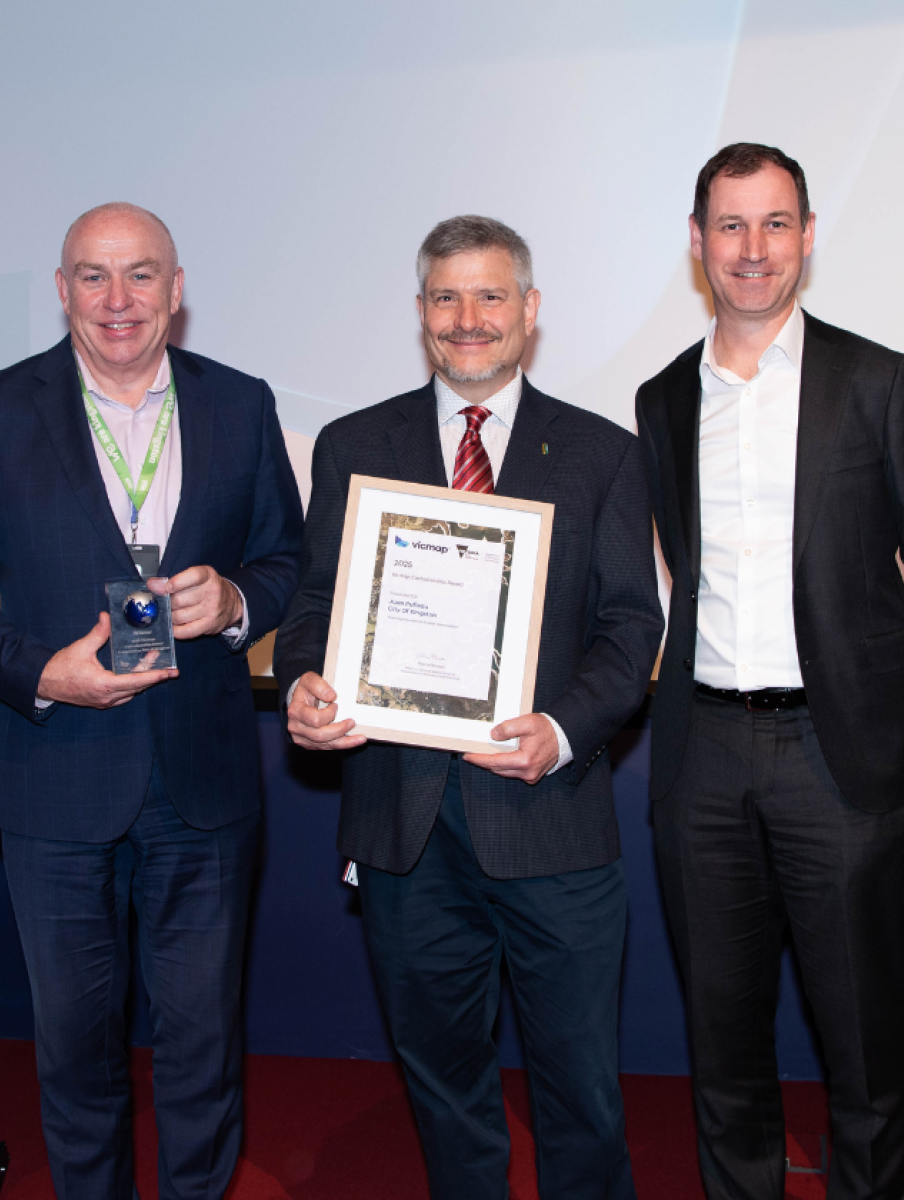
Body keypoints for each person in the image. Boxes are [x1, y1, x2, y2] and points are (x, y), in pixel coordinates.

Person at [0, 202, 303, 1200]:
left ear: (176, 290)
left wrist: (237, 602)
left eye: (139, 276)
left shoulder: (241, 406)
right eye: (92, 275)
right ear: (61, 289)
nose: (117, 301)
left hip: (202, 787)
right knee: (76, 1059)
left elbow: (289, 563)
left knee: (202, 1051)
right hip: (55, 783)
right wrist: (41, 672)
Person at [276, 215, 662, 1200]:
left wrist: (563, 731)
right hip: (403, 829)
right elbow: (313, 609)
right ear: (419, 314)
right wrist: (304, 684)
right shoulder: (354, 444)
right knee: (444, 1090)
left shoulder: (601, 454)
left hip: (552, 825)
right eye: (446, 297)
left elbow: (629, 626)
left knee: (578, 1090)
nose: (468, 318)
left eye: (490, 295)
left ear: (528, 311)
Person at [633, 143, 904, 1200]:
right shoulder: (660, 400)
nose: (752, 249)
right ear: (696, 244)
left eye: (774, 223)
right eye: (729, 226)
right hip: (699, 756)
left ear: (808, 235)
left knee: (863, 1038)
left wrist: (879, 700)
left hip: (835, 755)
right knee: (721, 1034)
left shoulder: (879, 381)